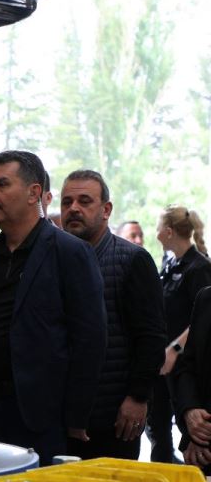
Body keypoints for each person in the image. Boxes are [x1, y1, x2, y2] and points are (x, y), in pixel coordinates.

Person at [0, 150, 106, 465]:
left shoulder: (69, 252)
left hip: (38, 415)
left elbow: (90, 339)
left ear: (34, 193)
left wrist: (76, 415)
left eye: (2, 184)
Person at [60, 170, 165, 459]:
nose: (73, 209)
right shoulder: (54, 260)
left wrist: (137, 397)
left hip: (114, 418)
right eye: (67, 202)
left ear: (106, 210)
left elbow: (151, 337)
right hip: (61, 416)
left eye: (84, 201)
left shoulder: (132, 259)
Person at [147, 206, 211, 462]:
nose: (155, 234)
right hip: (165, 361)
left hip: (183, 361)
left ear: (169, 231)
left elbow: (201, 324)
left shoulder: (199, 268)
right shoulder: (170, 264)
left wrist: (174, 349)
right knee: (157, 424)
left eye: (158, 227)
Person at [172, 286, 211, 472]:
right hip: (202, 454)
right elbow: (187, 367)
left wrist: (202, 436)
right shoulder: (205, 298)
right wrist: (190, 411)